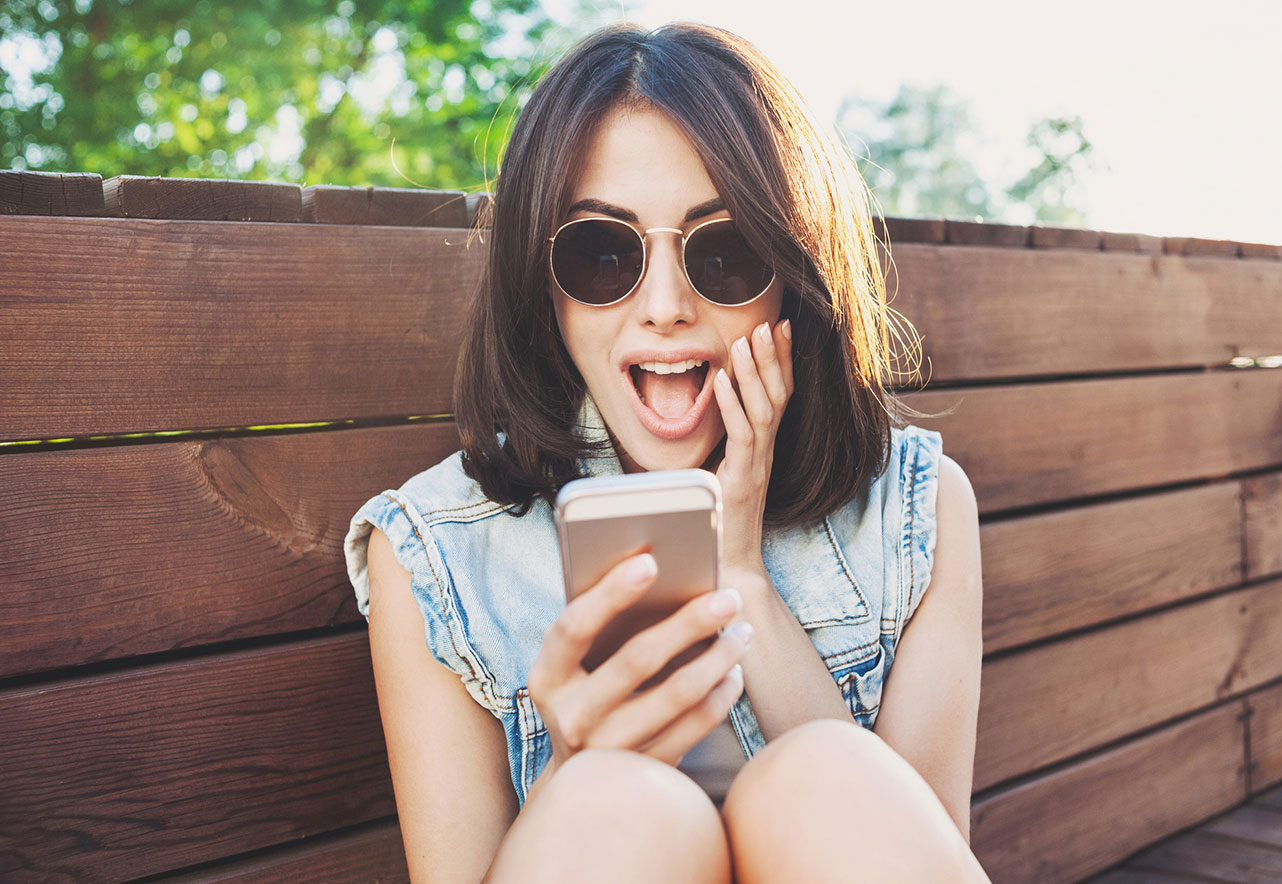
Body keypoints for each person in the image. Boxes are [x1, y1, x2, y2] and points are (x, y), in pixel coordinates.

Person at [343, 20, 989, 884]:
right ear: (544, 290)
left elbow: (916, 845)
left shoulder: (918, 505)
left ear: (792, 280)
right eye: (602, 252)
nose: (665, 305)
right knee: (620, 805)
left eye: (724, 252)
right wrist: (579, 764)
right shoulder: (436, 551)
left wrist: (742, 575)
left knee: (825, 775)